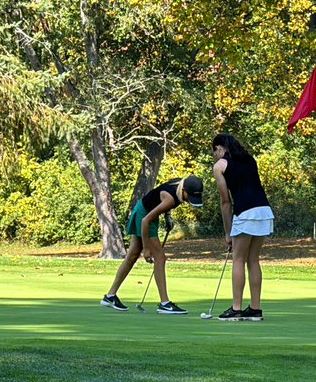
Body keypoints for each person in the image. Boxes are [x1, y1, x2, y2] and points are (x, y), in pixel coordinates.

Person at [101, 175, 204, 313]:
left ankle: (110, 296)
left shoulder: (179, 186)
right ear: (184, 190)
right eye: (189, 196)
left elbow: (161, 199)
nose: (189, 199)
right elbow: (145, 221)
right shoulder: (171, 198)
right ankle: (165, 303)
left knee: (132, 255)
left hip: (146, 213)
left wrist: (168, 217)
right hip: (144, 215)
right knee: (160, 258)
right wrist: (146, 248)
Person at [212, 133, 273, 321]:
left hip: (245, 213)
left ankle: (236, 309)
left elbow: (225, 202)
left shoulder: (220, 166)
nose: (214, 155)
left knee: (238, 259)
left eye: (214, 151)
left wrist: (228, 233)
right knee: (253, 260)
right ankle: (255, 309)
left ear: (220, 148)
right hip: (264, 211)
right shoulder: (250, 159)